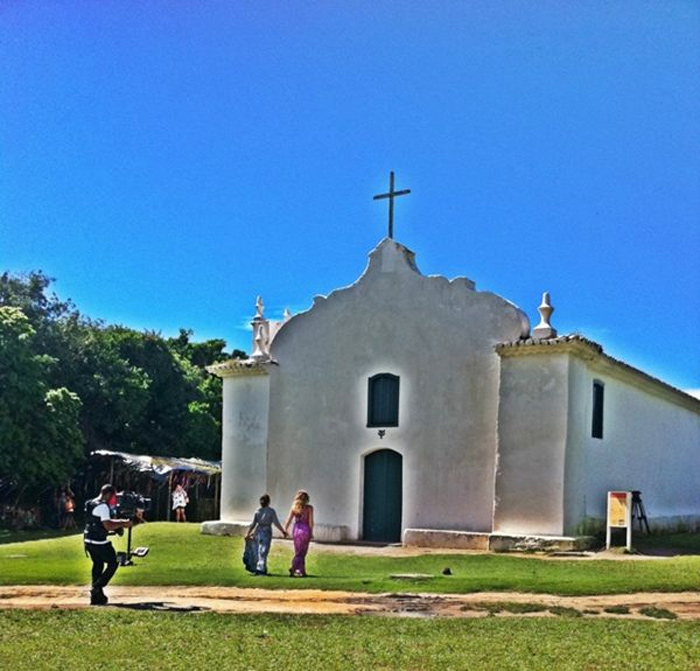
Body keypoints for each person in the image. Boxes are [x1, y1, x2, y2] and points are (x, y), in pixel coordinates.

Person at [84, 484, 132, 605]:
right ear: (108, 494)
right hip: (99, 542)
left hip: (88, 540)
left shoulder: (91, 502)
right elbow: (108, 525)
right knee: (113, 562)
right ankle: (97, 586)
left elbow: (97, 522)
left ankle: (96, 596)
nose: (114, 499)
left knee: (98, 563)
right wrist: (122, 523)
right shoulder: (103, 506)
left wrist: (116, 526)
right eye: (113, 496)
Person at [245, 494, 287, 575]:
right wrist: (283, 531)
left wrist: (248, 533)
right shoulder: (271, 511)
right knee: (264, 550)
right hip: (266, 531)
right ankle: (261, 568)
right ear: (269, 502)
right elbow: (276, 522)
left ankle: (259, 567)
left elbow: (253, 524)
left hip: (258, 531)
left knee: (258, 549)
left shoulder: (258, 511)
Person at [284, 490, 314, 577]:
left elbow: (288, 520)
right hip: (305, 530)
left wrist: (285, 530)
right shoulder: (309, 508)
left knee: (298, 551)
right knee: (302, 552)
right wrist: (311, 532)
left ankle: (301, 570)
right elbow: (311, 522)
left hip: (296, 530)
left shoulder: (294, 508)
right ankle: (294, 568)